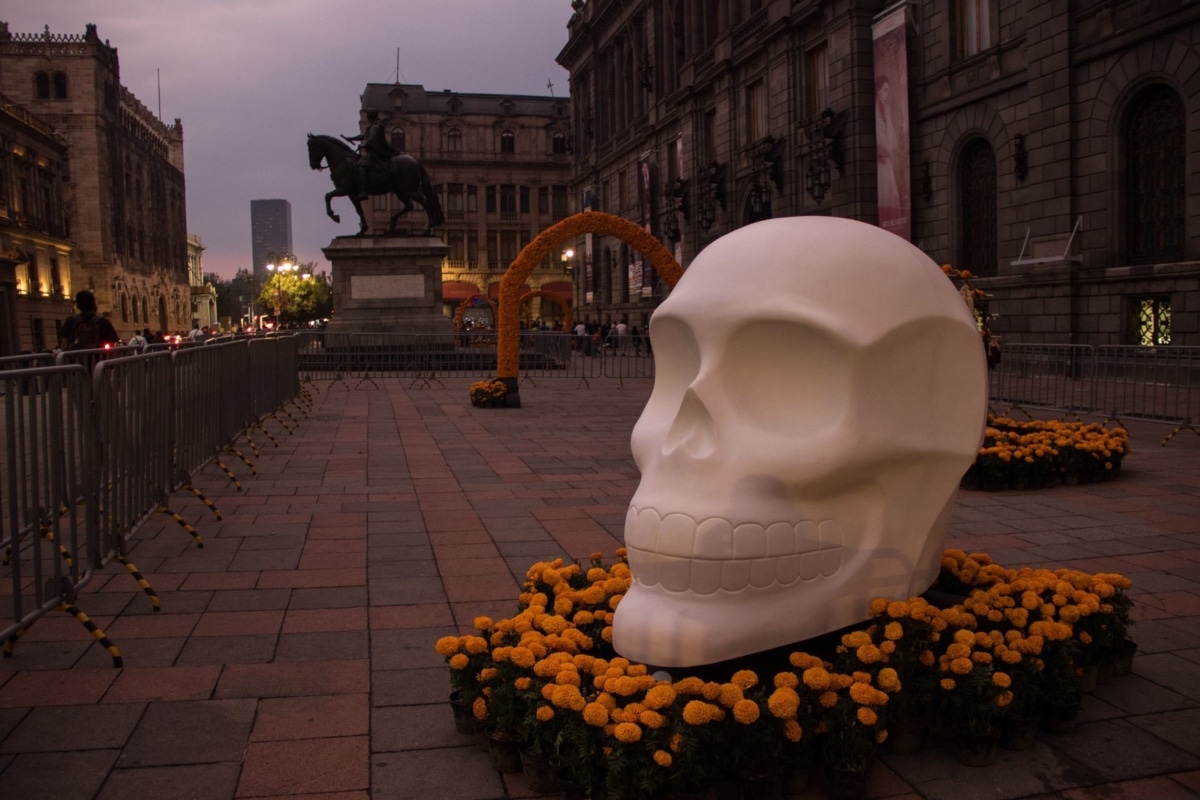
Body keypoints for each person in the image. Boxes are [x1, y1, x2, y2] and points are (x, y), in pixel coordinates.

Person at [343, 110, 394, 202]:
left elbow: (371, 139)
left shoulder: (375, 127)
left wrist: (362, 145)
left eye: (368, 116)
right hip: (373, 150)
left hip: (376, 151)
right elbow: (364, 136)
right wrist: (351, 138)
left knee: (362, 166)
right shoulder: (373, 126)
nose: (367, 117)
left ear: (371, 116)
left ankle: (364, 191)